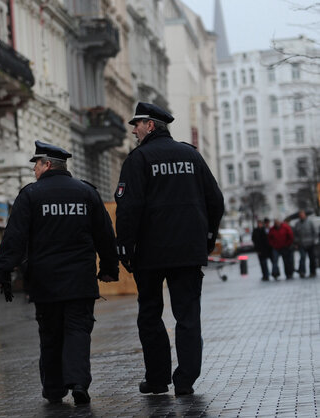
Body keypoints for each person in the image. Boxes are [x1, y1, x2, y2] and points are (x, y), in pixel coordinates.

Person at [0, 141, 118, 405]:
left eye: (36, 165)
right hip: (80, 280)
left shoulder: (31, 195)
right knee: (78, 331)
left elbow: (14, 237)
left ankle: (53, 389)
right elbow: (105, 234)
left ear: (47, 164)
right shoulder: (87, 193)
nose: (34, 171)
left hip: (46, 282)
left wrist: (3, 271)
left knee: (50, 335)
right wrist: (109, 268)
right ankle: (79, 382)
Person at [115, 102, 224, 397]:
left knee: (150, 314)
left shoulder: (139, 159)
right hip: (188, 251)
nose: (134, 130)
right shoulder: (191, 155)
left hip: (150, 254)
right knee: (188, 316)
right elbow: (215, 199)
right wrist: (207, 238)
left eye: (137, 124)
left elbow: (128, 207)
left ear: (150, 125)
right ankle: (186, 380)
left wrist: (125, 247)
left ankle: (158, 378)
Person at [292, 210, 316, 278]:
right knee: (302, 258)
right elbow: (295, 234)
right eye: (300, 215)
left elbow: (314, 232)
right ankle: (302, 271)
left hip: (310, 243)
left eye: (302, 215)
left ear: (305, 215)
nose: (301, 216)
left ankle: (312, 272)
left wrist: (314, 240)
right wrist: (296, 242)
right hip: (301, 244)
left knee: (312, 258)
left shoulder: (310, 222)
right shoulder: (297, 223)